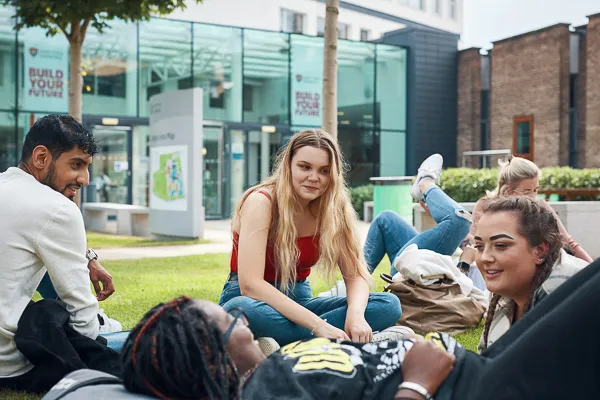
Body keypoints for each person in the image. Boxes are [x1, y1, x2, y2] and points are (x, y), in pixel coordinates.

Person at [119, 255, 600, 400]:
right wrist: (417, 382)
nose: (241, 318)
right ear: (213, 356)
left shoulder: (269, 372)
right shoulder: (266, 397)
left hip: (474, 367)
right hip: (476, 389)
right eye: (231, 321)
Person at [218, 129, 403, 352]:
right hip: (252, 302)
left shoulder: (334, 207)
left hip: (300, 303)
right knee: (243, 310)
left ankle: (282, 344)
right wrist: (318, 325)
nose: (314, 177)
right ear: (288, 166)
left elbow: (355, 275)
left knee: (388, 306)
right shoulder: (262, 201)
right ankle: (329, 341)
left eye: (323, 171)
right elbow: (250, 285)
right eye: (305, 167)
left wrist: (356, 316)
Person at [0, 114, 122, 392]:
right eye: (76, 164)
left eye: (88, 167)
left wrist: (87, 257)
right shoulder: (57, 208)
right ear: (41, 157)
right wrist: (96, 336)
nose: (85, 179)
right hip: (11, 365)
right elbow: (83, 323)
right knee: (126, 339)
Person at [319, 153, 481, 297]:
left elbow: (466, 289)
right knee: (386, 219)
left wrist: (464, 264)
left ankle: (425, 182)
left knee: (460, 221)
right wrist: (466, 241)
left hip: (423, 277)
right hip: (425, 269)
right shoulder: (497, 213)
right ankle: (353, 282)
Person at [473, 195, 589, 352]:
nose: (485, 257)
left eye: (500, 245)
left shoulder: (565, 295)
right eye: (479, 246)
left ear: (539, 250)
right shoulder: (508, 292)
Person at [470, 156, 592, 263]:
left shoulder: (540, 206)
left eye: (536, 190)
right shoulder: (485, 206)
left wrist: (593, 270)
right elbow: (474, 243)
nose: (533, 197)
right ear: (508, 191)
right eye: (527, 191)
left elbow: (569, 242)